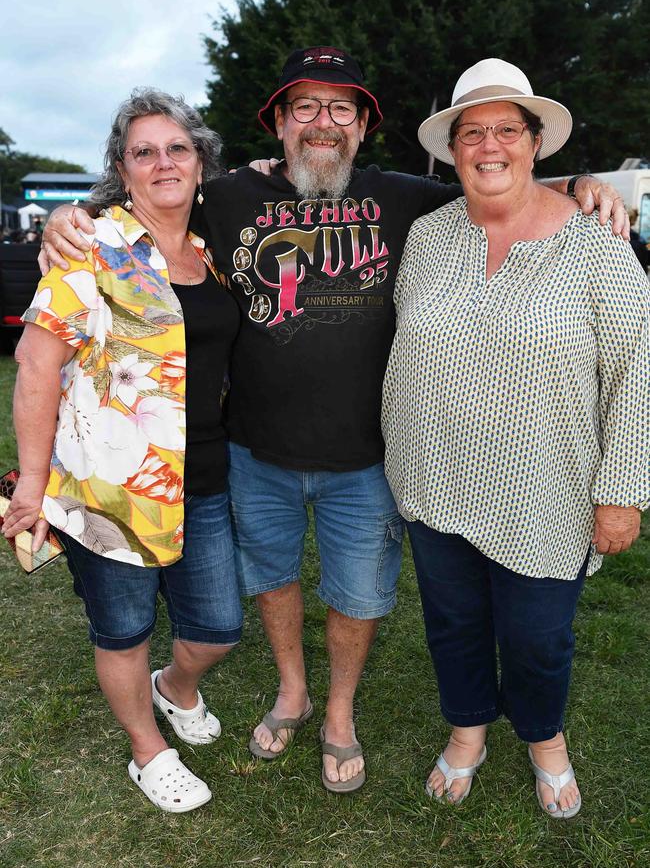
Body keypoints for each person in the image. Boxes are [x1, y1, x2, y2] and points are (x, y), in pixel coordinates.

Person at [39, 47, 628, 794]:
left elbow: (502, 184)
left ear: (363, 127)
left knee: (359, 593)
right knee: (274, 581)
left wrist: (584, 185)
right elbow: (148, 200)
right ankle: (293, 692)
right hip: (255, 450)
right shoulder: (225, 198)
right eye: (305, 108)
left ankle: (340, 711)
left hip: (370, 457)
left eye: (342, 108)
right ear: (279, 125)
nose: (324, 123)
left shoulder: (409, 198)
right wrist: (72, 213)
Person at [382, 58, 649, 817]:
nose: (489, 145)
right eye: (473, 132)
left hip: (547, 487)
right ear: (453, 148)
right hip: (434, 476)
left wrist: (623, 492)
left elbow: (640, 367)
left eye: (507, 129)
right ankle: (467, 730)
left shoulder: (596, 240)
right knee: (453, 622)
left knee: (537, 639)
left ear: (536, 145)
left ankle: (544, 739)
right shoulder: (429, 237)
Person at [2, 88, 242, 813]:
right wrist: (32, 487)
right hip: (109, 490)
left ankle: (177, 688)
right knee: (125, 628)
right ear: (121, 167)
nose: (163, 162)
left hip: (203, 477)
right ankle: (147, 750)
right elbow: (37, 365)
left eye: (178, 147)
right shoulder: (91, 246)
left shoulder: (214, 249)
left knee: (218, 626)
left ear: (201, 162)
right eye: (145, 151)